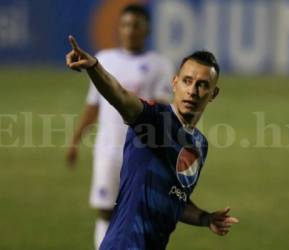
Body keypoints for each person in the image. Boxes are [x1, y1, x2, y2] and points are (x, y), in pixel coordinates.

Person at [66, 34, 239, 250]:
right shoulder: (153, 120)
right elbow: (119, 95)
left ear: (213, 93)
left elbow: (175, 198)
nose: (193, 91)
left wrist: (205, 218)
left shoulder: (199, 145)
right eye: (187, 81)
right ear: (174, 83)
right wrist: (94, 67)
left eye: (202, 85)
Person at [66, 4, 173, 249]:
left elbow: (162, 109)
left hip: (141, 152)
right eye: (125, 25)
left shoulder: (160, 65)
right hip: (108, 151)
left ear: (147, 29)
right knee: (105, 210)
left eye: (136, 25)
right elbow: (93, 106)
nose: (130, 30)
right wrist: (75, 140)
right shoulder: (103, 60)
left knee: (141, 214)